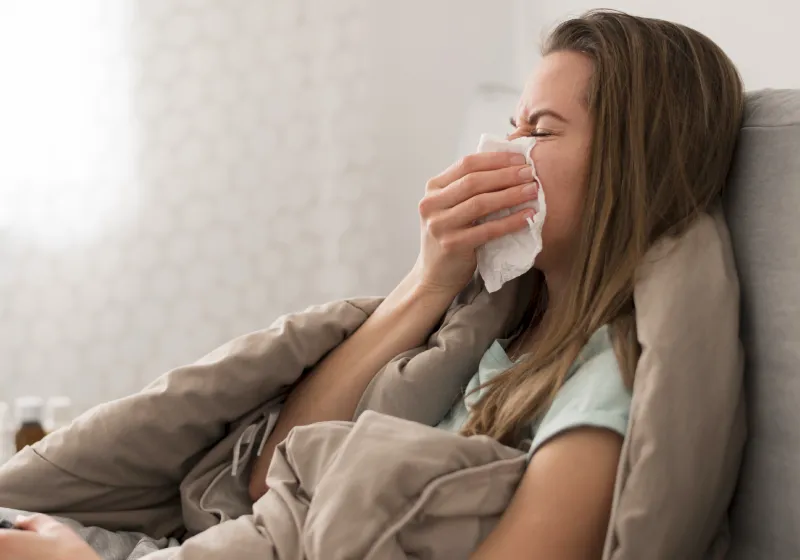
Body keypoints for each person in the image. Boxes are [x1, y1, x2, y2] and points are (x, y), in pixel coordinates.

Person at [0, 9, 743, 560]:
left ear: (633, 161)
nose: (505, 153)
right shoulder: (497, 330)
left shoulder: (599, 382)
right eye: (510, 125)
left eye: (540, 132)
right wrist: (426, 283)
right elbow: (268, 478)